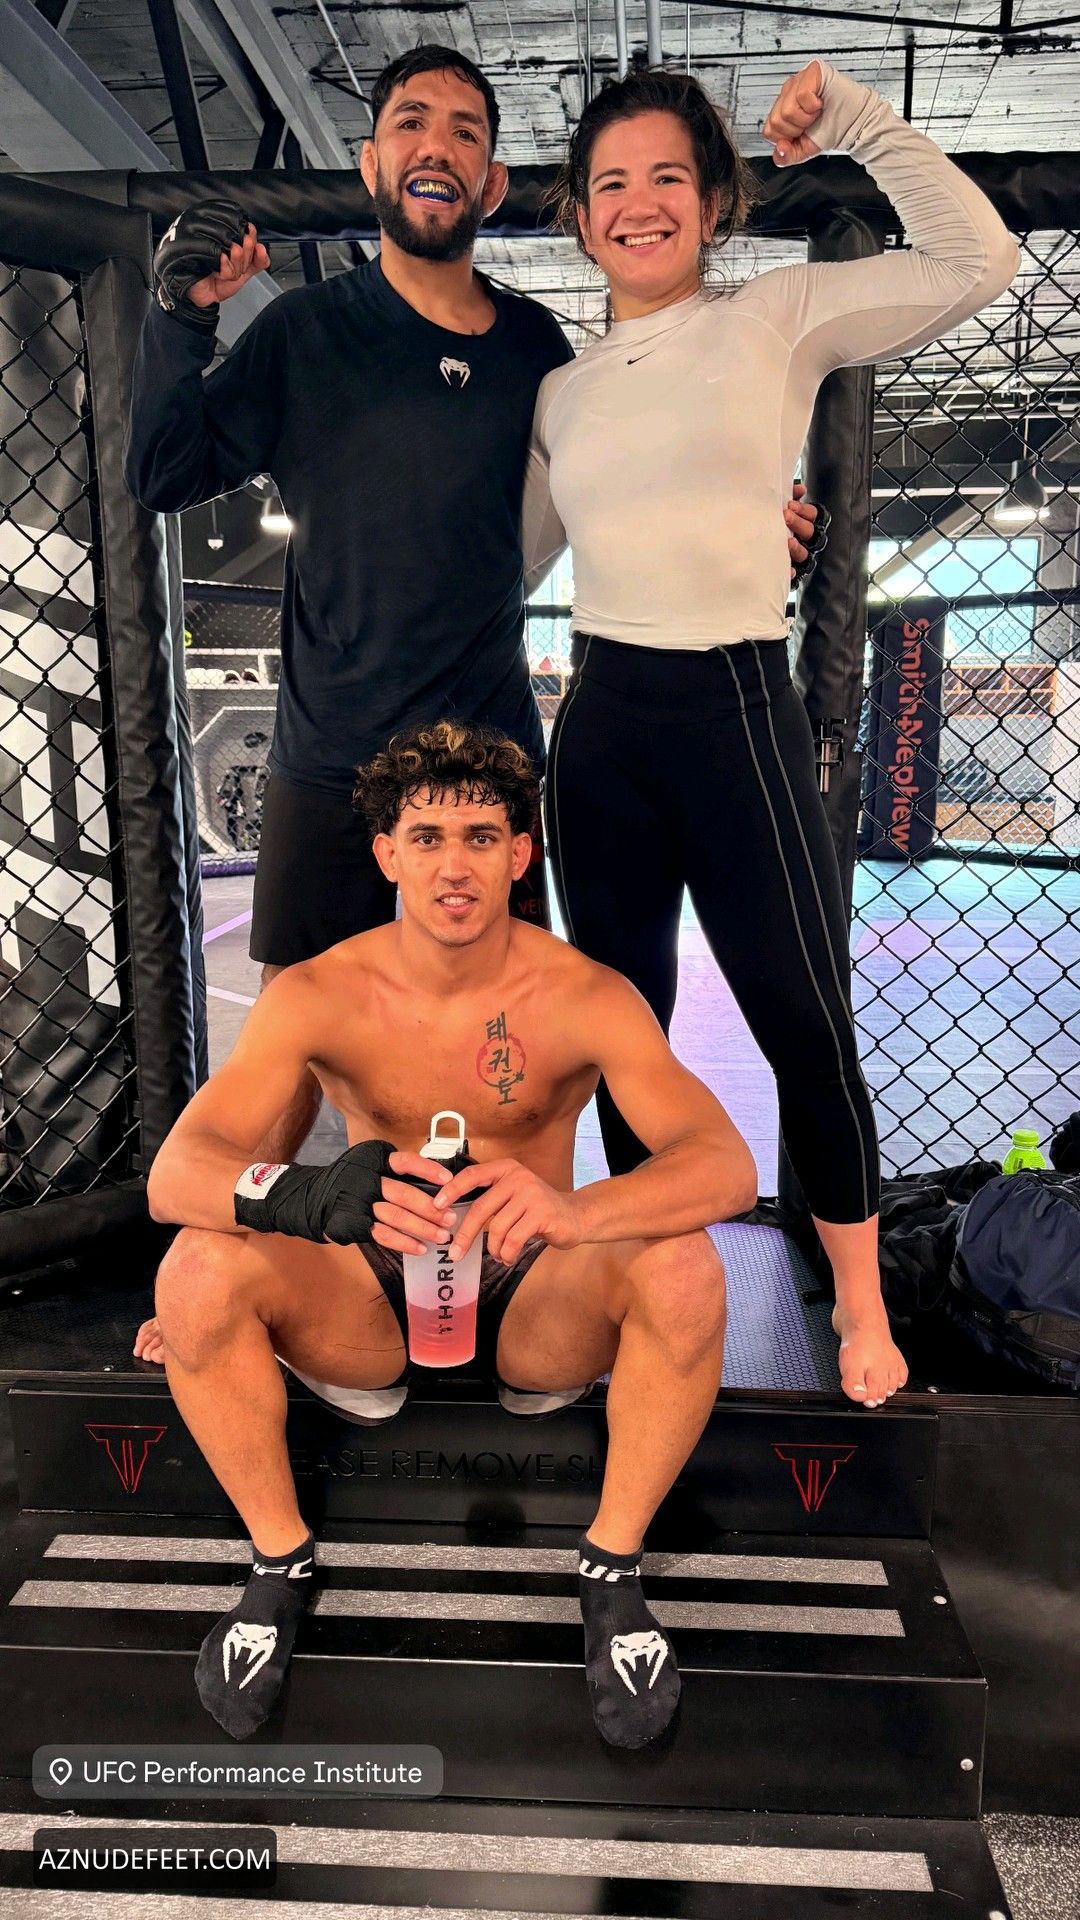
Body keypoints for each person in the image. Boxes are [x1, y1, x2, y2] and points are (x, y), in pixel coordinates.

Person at [124, 43, 824, 1162]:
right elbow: (162, 473)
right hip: (331, 757)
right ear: (371, 163)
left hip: (486, 761)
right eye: (411, 122)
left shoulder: (537, 351)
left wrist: (745, 521)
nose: (436, 146)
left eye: (464, 131)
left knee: (510, 1057)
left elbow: (622, 487)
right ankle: (270, 1244)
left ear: (492, 184)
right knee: (297, 1053)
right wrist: (180, 317)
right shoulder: (303, 334)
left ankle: (516, 1259)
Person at [523, 59, 1020, 1412]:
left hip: (738, 715)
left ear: (713, 202)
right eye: (610, 183)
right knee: (625, 1031)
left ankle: (860, 1300)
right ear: (579, 215)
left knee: (806, 1019)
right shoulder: (563, 394)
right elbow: (507, 563)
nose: (638, 203)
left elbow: (980, 261)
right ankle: (647, 1276)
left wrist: (856, 121)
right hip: (603, 730)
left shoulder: (775, 320)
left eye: (666, 178)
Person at [137, 720, 754, 1751]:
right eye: (426, 838)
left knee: (687, 1265)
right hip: (369, 1296)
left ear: (521, 855)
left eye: (480, 837)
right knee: (196, 1268)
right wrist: (306, 1195)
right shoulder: (318, 992)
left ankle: (611, 1568)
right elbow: (177, 1175)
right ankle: (280, 1561)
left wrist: (577, 1211)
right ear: (387, 855)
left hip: (532, 1292)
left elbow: (724, 1165)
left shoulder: (586, 994)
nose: (453, 865)